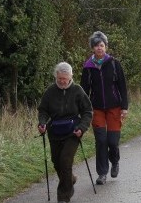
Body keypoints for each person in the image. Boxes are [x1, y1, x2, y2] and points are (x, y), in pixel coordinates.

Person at [38, 62, 93, 203]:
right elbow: (43, 110)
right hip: (54, 131)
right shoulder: (50, 91)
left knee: (65, 161)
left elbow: (87, 111)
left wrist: (82, 127)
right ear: (56, 76)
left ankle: (63, 197)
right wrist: (42, 123)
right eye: (60, 78)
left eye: (65, 78)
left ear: (71, 76)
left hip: (73, 132)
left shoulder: (77, 90)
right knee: (56, 162)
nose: (62, 81)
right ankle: (70, 180)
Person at [80, 31, 129, 185]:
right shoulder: (88, 67)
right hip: (97, 109)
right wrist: (84, 109)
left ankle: (115, 161)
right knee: (101, 140)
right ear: (92, 48)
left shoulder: (114, 63)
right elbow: (83, 90)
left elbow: (122, 86)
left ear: (106, 47)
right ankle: (102, 173)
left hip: (114, 107)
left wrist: (124, 107)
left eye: (101, 45)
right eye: (96, 46)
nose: (99, 48)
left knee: (113, 141)